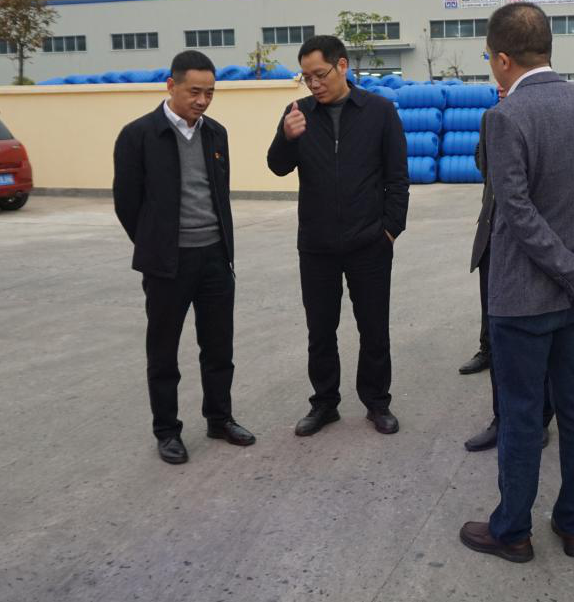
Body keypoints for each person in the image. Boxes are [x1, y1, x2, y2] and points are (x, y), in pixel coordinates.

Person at [459, 2, 574, 563]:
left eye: (490, 57)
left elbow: (518, 213)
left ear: (503, 58)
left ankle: (512, 530)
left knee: (522, 415)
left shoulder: (506, 115)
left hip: (524, 299)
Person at [113, 50, 255, 465]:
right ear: (171, 85)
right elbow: (127, 203)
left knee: (219, 348)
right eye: (194, 91)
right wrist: (155, 244)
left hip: (215, 258)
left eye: (209, 93)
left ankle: (220, 419)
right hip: (167, 264)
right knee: (163, 352)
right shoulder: (139, 135)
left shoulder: (216, 134)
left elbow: (218, 194)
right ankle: (167, 431)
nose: (202, 100)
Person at [267, 35, 410, 436]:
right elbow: (277, 166)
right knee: (320, 331)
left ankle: (377, 403)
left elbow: (398, 177)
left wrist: (390, 230)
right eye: (306, 77)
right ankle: (324, 403)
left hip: (370, 244)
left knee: (374, 329)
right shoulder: (297, 113)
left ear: (342, 66)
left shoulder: (378, 111)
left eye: (320, 74)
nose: (314, 84)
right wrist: (285, 137)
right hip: (317, 246)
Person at [464, 90, 554, 453]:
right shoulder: (494, 118)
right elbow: (484, 165)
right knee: (501, 339)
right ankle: (503, 418)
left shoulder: (549, 115)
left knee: (536, 340)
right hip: (494, 241)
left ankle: (538, 419)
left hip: (537, 244)